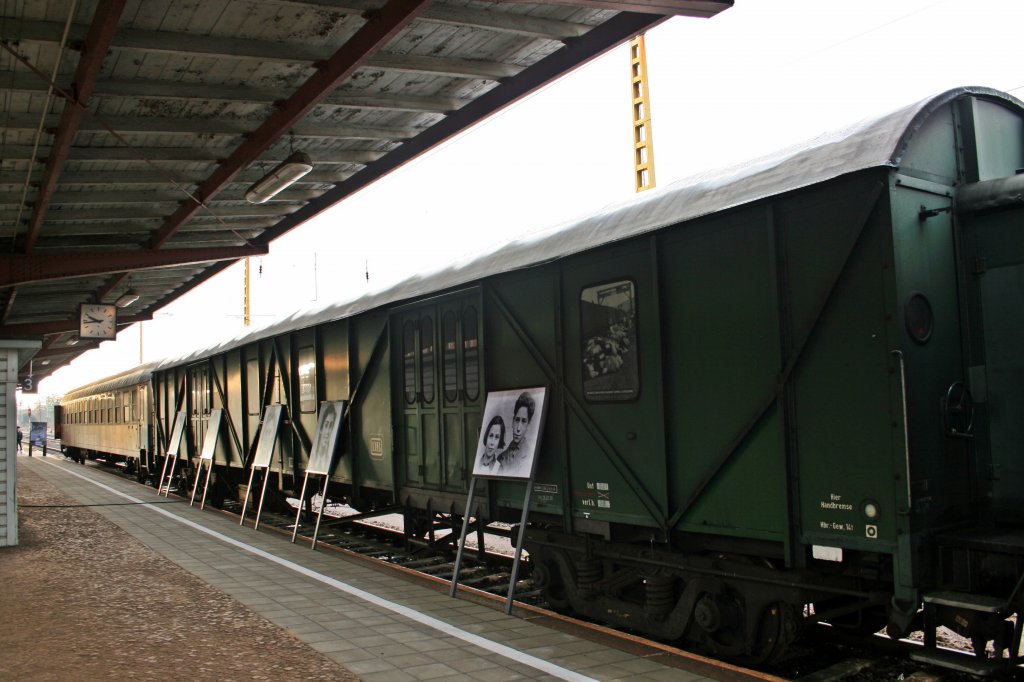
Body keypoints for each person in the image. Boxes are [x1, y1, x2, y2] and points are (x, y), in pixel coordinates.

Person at [496, 392, 535, 477]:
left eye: (524, 421)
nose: (518, 428)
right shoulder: (501, 457)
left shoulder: (530, 456)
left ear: (528, 426)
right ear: (513, 422)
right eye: (517, 420)